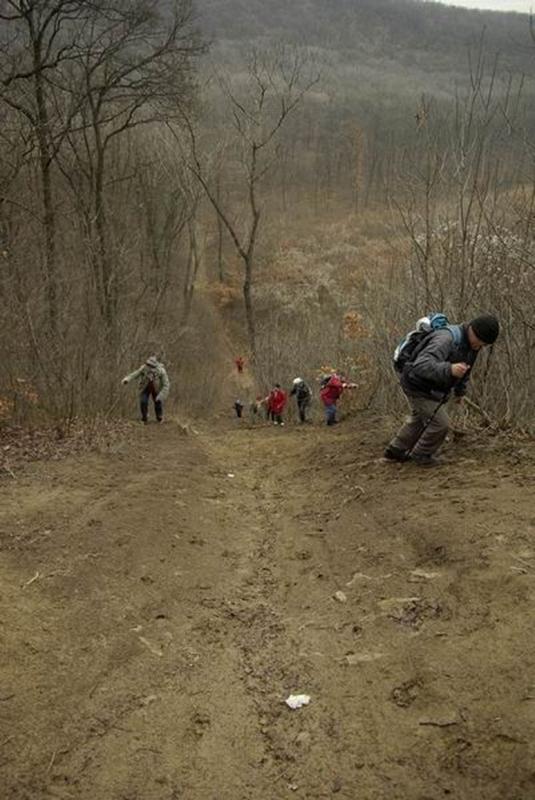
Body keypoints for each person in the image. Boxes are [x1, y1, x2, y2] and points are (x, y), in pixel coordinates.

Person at [384, 314, 499, 466]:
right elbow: (421, 365)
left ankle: (396, 450)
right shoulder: (446, 339)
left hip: (430, 386)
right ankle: (421, 454)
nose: (480, 346)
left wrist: (460, 392)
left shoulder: (472, 346)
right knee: (440, 423)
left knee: (420, 419)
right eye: (480, 341)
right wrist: (449, 369)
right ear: (472, 330)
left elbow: (465, 370)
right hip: (416, 383)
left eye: (484, 345)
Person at [122, 355, 170, 424]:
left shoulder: (161, 371)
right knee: (143, 401)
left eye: (151, 366)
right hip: (145, 387)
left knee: (158, 401)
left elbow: (166, 384)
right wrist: (127, 379)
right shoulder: (144, 368)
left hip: (156, 388)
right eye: (148, 365)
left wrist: (161, 395)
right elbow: (136, 373)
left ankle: (159, 417)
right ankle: (145, 417)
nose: (149, 367)